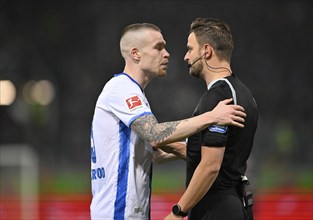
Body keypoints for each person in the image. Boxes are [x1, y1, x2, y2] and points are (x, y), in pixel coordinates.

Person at [90, 22, 247, 220]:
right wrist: (212, 117)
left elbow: (156, 152)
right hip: (116, 213)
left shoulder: (134, 94)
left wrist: (203, 148)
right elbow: (154, 133)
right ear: (136, 54)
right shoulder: (121, 88)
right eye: (158, 47)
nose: (167, 54)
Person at [164, 18, 258, 220]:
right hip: (236, 204)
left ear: (206, 51)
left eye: (190, 49)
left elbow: (210, 166)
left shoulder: (217, 98)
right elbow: (223, 156)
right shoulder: (244, 93)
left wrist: (178, 212)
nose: (185, 57)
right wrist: (172, 147)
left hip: (217, 208)